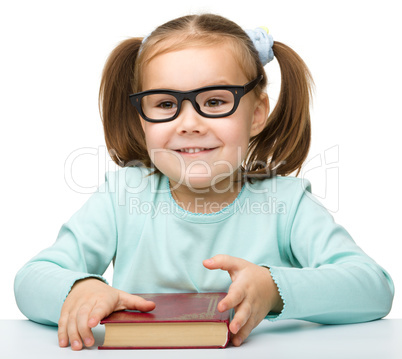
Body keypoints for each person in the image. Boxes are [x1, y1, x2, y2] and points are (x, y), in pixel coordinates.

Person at [14, 13, 394, 351]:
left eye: (214, 101)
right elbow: (31, 280)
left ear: (257, 113)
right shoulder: (122, 196)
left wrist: (273, 290)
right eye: (165, 104)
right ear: (141, 119)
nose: (190, 123)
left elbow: (372, 288)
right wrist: (80, 290)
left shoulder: (286, 203)